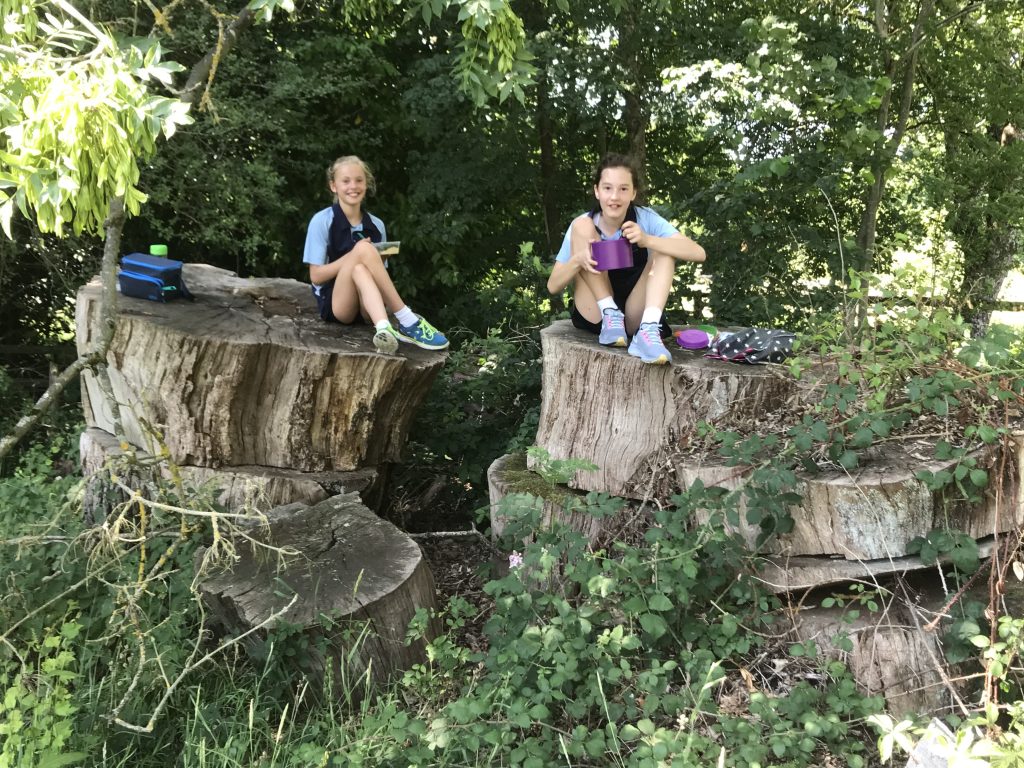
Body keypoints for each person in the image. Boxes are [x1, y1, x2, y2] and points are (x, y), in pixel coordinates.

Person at [547, 153, 705, 364]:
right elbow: (553, 286)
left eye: (623, 189)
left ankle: (648, 330)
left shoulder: (645, 218)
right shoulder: (582, 224)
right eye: (607, 188)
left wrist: (647, 239)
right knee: (582, 226)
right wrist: (577, 260)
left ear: (633, 193)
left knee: (665, 248)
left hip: (633, 315)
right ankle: (610, 313)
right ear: (597, 191)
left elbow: (698, 253)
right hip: (596, 312)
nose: (614, 197)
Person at [303, 156, 448, 353]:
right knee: (362, 251)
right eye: (346, 181)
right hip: (338, 305)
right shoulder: (322, 221)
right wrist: (356, 253)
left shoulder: (377, 225)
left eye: (359, 180)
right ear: (333, 186)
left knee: (360, 268)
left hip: (369, 308)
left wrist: (375, 255)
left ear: (366, 184)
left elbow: (380, 278)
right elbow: (316, 276)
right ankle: (407, 319)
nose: (353, 186)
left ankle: (383, 329)